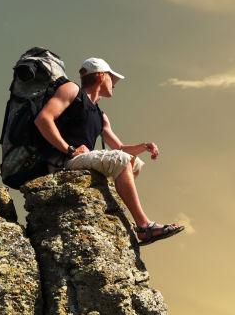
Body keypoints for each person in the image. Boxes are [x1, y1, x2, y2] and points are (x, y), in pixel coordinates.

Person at [34, 57, 184, 246]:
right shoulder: (72, 90)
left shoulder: (100, 115)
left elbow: (119, 148)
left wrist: (144, 147)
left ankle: (117, 206)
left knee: (134, 162)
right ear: (100, 76)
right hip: (62, 160)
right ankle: (144, 226)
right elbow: (43, 119)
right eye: (112, 79)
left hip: (78, 158)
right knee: (121, 160)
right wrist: (69, 149)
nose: (114, 84)